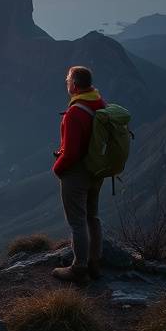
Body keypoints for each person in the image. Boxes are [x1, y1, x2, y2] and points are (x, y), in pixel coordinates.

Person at [52, 66, 106, 283]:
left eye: (67, 79)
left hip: (77, 173)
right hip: (96, 170)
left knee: (77, 221)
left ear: (74, 84)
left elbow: (72, 152)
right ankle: (95, 264)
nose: (66, 83)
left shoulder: (75, 112)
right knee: (92, 216)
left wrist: (58, 168)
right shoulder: (99, 103)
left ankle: (78, 269)